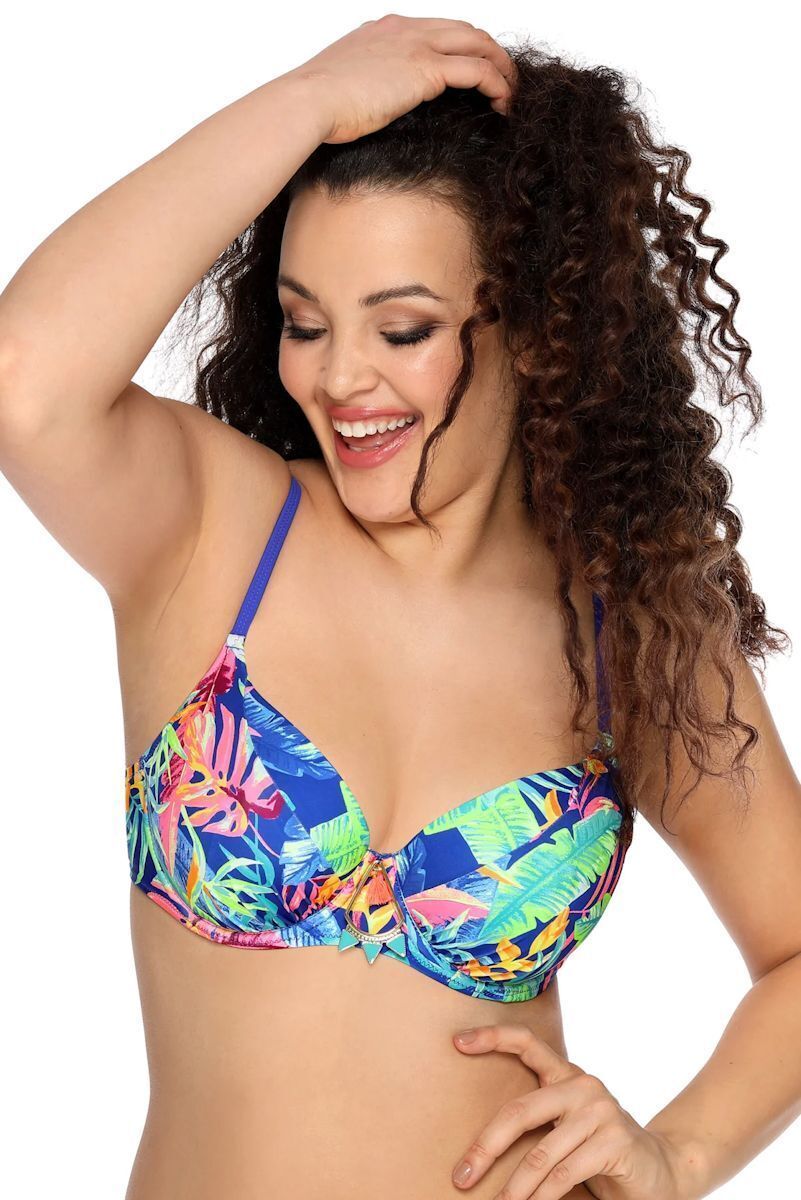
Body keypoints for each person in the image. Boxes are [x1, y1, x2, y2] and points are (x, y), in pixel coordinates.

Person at [0, 14, 799, 1200]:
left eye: (404, 329)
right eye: (306, 323)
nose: (337, 377)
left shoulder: (622, 626)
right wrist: (309, 100)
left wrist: (678, 1155)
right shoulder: (215, 528)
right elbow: (24, 383)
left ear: (539, 332)